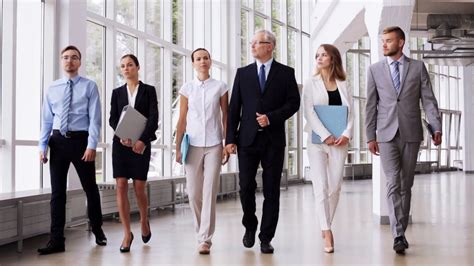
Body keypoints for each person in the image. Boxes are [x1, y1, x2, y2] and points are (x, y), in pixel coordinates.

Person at [365, 26, 442, 254]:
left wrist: (435, 126)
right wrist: (370, 135)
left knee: (406, 184)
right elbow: (370, 105)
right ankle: (398, 234)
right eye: (383, 41)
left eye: (388, 41)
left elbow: (428, 100)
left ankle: (402, 228)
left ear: (401, 43)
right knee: (392, 182)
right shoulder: (374, 70)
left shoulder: (417, 68)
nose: (384, 45)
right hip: (385, 134)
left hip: (411, 132)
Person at [225, 30, 300, 254]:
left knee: (271, 191)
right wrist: (230, 139)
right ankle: (250, 225)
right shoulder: (243, 73)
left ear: (270, 46)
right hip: (246, 140)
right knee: (245, 187)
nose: (253, 46)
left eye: (258, 43)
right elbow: (233, 108)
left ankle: (266, 237)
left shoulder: (286, 73)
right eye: (252, 42)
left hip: (273, 140)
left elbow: (293, 103)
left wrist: (272, 117)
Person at [38, 45, 107, 255]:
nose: (70, 61)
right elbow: (46, 121)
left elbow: (95, 119)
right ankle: (56, 240)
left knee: (90, 189)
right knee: (57, 193)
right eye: (66, 57)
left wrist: (92, 145)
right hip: (57, 142)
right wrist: (42, 146)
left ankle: (97, 229)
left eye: (74, 58)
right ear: (61, 61)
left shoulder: (89, 86)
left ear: (80, 62)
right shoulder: (52, 88)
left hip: (81, 142)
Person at [175, 48, 229, 255]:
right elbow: (181, 120)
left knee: (209, 191)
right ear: (193, 63)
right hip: (192, 144)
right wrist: (177, 147)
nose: (202, 61)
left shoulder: (221, 87)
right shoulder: (187, 89)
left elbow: (226, 116)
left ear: (210, 61)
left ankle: (205, 238)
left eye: (205, 58)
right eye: (198, 59)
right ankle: (200, 231)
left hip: (215, 144)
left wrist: (226, 143)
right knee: (194, 192)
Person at [302, 44, 354, 253]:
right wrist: (326, 135)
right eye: (317, 55)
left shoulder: (344, 84)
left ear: (333, 59)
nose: (319, 58)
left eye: (324, 55)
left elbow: (351, 112)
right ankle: (327, 230)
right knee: (320, 186)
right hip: (317, 141)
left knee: (335, 187)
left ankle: (326, 223)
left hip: (340, 141)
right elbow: (308, 111)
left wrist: (346, 134)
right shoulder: (310, 83)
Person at [109, 54, 158, 252]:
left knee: (139, 187)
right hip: (121, 144)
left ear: (137, 67)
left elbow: (153, 118)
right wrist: (121, 135)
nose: (126, 68)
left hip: (141, 144)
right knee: (120, 185)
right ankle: (127, 233)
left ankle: (144, 221)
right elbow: (113, 118)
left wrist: (141, 140)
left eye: (130, 65)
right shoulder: (116, 92)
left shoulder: (149, 91)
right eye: (122, 66)